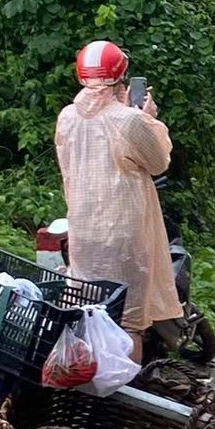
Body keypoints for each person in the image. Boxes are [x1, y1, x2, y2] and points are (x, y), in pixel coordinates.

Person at [53, 40, 181, 352]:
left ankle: (90, 390)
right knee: (128, 320)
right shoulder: (129, 120)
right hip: (124, 234)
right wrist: (148, 118)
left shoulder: (67, 117)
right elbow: (158, 162)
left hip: (83, 233)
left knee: (87, 309)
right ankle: (123, 389)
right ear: (120, 76)